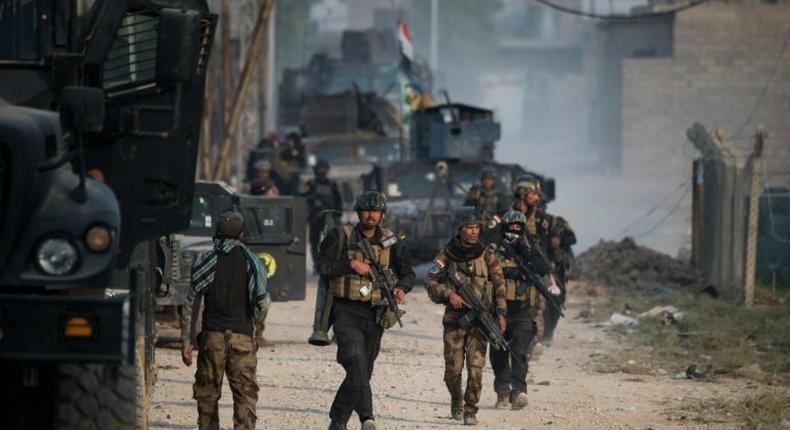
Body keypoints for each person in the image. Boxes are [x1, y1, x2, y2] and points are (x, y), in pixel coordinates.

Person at [316, 191, 415, 430]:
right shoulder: (340, 236)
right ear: (359, 213)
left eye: (376, 211)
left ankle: (338, 420)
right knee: (354, 361)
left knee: (363, 369)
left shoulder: (391, 240)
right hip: (345, 310)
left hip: (376, 313)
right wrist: (350, 264)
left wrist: (401, 288)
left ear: (382, 214)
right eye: (367, 211)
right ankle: (366, 417)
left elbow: (407, 272)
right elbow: (322, 266)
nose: (371, 215)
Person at [180, 211, 270, 430]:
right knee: (245, 395)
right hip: (243, 338)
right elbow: (262, 302)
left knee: (207, 394)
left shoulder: (205, 261)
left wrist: (187, 341)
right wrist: (254, 330)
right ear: (241, 235)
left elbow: (191, 303)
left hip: (212, 339)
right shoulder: (254, 263)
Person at [424, 206, 507, 426]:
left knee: (476, 368)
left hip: (481, 322)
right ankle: (456, 398)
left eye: (476, 227)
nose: (473, 232)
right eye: (469, 227)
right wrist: (449, 294)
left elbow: (499, 284)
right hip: (455, 322)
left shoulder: (487, 254)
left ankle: (471, 410)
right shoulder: (446, 255)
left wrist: (500, 312)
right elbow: (430, 282)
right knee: (453, 370)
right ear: (460, 229)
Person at [489, 210, 552, 410]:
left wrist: (526, 251)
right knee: (498, 352)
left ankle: (518, 391)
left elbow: (543, 268)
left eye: (518, 227)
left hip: (523, 310)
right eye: (511, 227)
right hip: (497, 310)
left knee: (519, 352)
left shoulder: (530, 249)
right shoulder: (493, 249)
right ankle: (502, 392)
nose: (514, 230)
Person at [535, 199, 577, 344]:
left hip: (556, 270)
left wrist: (560, 240)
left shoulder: (555, 222)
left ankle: (548, 332)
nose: (539, 209)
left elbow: (572, 238)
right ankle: (538, 334)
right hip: (537, 267)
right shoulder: (527, 221)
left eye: (541, 206)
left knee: (556, 301)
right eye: (536, 206)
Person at [305, 159, 343, 269]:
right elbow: (304, 197)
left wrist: (338, 214)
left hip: (329, 217)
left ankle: (328, 262)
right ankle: (317, 264)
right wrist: (313, 201)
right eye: (320, 169)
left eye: (324, 169)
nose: (322, 171)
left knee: (331, 241)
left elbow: (338, 200)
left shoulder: (332, 184)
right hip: (315, 217)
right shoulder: (311, 184)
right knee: (314, 242)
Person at [465, 167, 508, 243]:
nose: (487, 182)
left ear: (493, 181)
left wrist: (495, 220)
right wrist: (472, 198)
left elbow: (504, 211)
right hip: (478, 227)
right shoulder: (477, 193)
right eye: (486, 180)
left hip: (494, 228)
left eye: (490, 180)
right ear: (482, 180)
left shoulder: (499, 195)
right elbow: (467, 208)